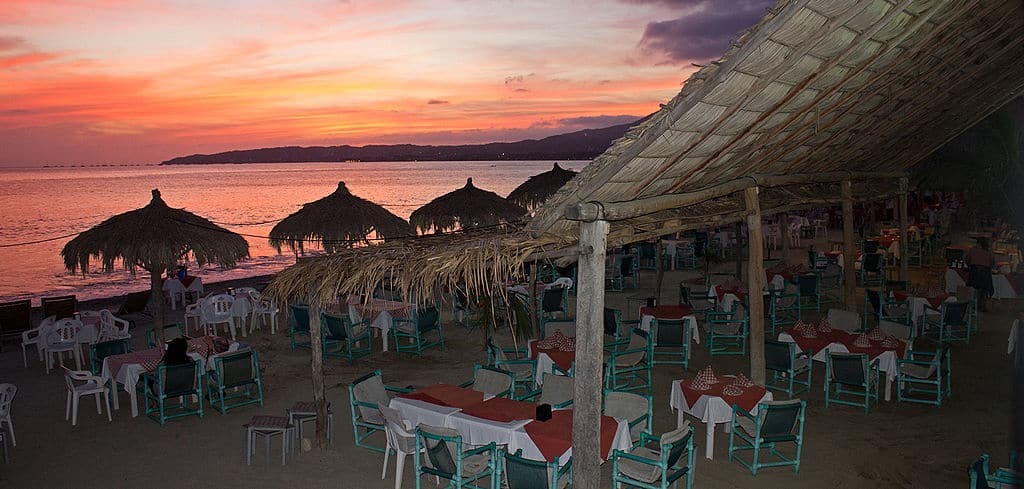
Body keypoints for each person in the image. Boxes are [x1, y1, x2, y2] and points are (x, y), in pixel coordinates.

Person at [966, 237, 996, 311]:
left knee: (974, 289)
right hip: (985, 272)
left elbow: (968, 260)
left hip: (974, 271)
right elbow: (992, 263)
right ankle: (982, 306)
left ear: (978, 243)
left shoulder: (972, 250)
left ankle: (973, 305)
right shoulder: (989, 252)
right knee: (984, 290)